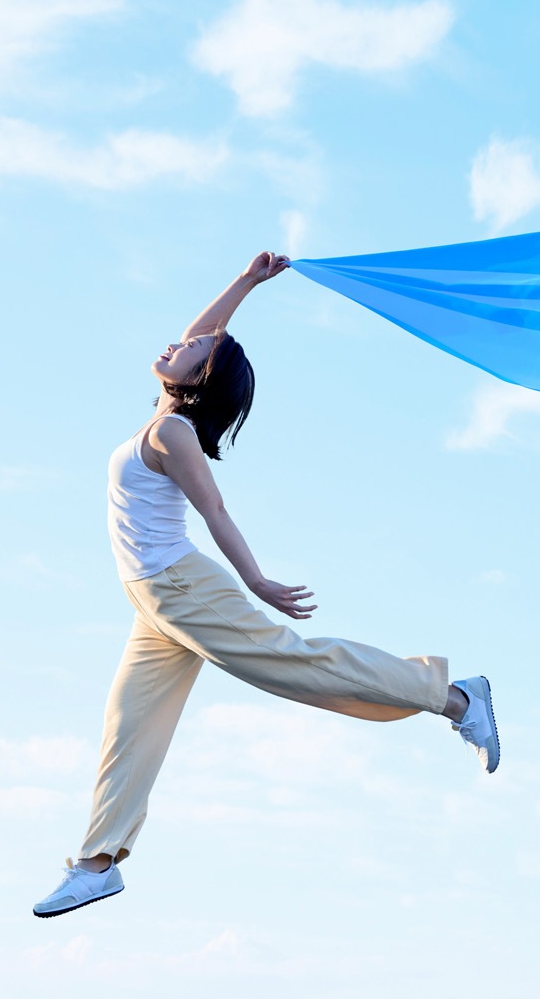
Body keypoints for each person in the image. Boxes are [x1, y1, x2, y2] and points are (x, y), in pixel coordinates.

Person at [33, 252, 498, 919]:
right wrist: (248, 283)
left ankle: (453, 697)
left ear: (201, 379)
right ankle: (97, 863)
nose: (179, 339)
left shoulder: (171, 432)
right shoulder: (165, 411)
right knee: (129, 728)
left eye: (192, 348)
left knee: (297, 667)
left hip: (182, 590)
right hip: (153, 603)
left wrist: (256, 581)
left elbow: (214, 510)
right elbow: (207, 333)